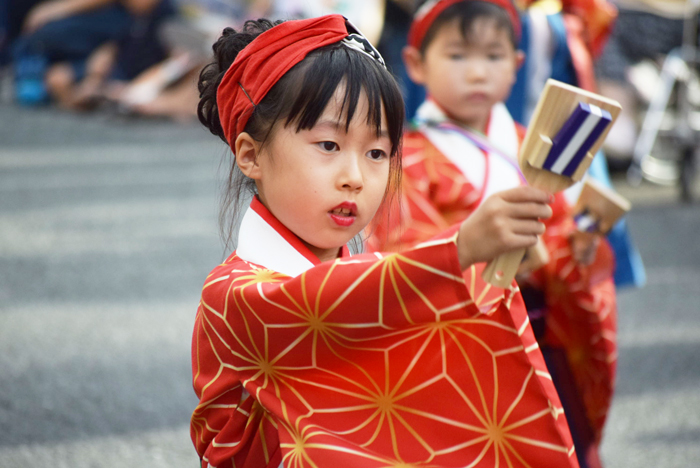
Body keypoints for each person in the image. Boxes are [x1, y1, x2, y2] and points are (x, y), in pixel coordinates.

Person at [190, 15, 581, 468]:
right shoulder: (233, 295)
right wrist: (460, 250)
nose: (355, 178)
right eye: (328, 146)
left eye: (377, 153)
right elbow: (322, 304)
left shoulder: (372, 275)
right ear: (251, 155)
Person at [367, 2, 618, 467]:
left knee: (554, 443)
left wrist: (574, 251)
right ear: (416, 64)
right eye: (459, 56)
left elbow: (563, 227)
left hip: (542, 332)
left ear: (517, 65)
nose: (478, 72)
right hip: (460, 350)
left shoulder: (533, 143)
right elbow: (404, 254)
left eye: (494, 56)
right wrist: (477, 248)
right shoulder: (406, 158)